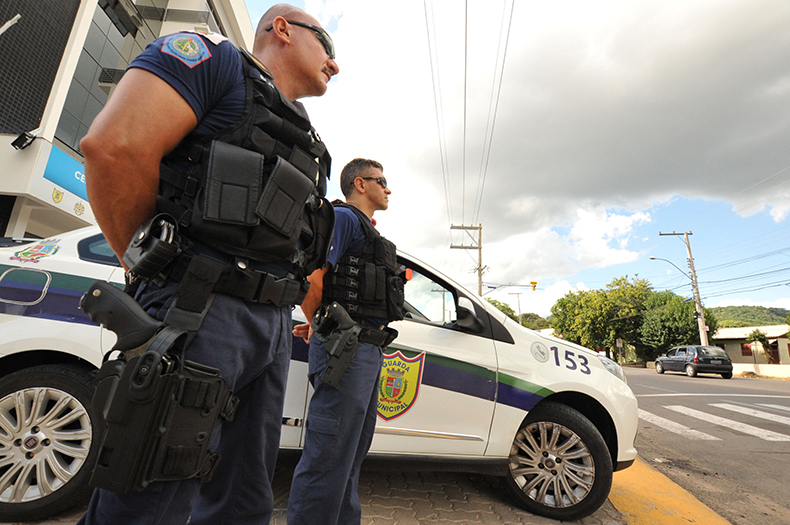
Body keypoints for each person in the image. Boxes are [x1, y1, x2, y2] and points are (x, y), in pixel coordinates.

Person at [77, 4, 339, 524]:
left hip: (270, 328)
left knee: (243, 502)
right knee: (151, 496)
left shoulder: (310, 141)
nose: (336, 64)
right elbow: (114, 148)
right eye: (328, 47)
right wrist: (148, 265)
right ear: (282, 30)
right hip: (198, 308)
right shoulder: (215, 58)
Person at [288, 158, 405, 524]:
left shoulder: (366, 232)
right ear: (360, 183)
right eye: (381, 180)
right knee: (329, 454)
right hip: (349, 352)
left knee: (350, 455)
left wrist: (324, 324)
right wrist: (325, 326)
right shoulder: (344, 218)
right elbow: (311, 275)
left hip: (364, 349)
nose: (388, 188)